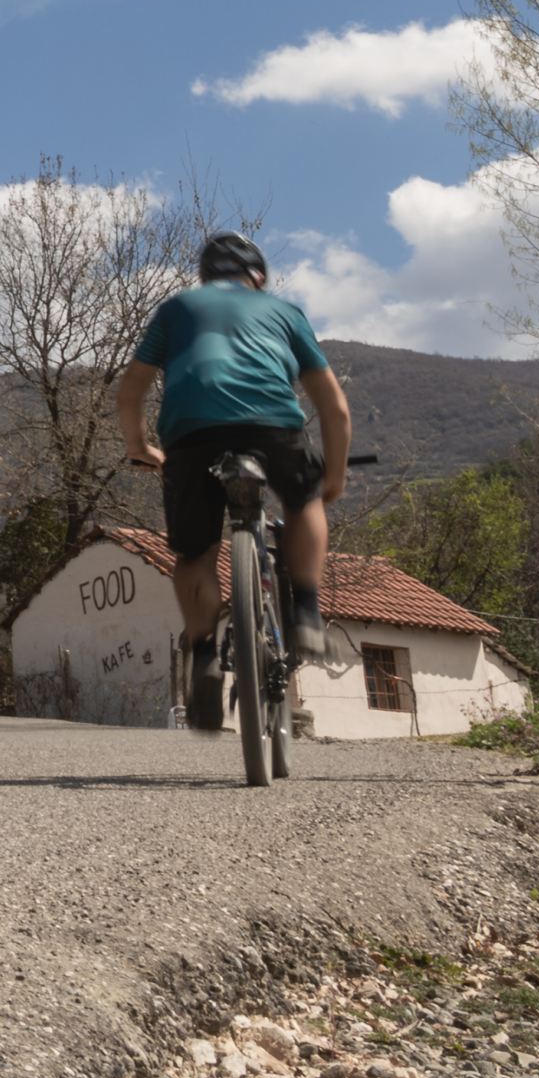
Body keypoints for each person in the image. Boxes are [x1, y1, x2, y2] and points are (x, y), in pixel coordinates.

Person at [118, 231, 354, 736]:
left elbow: (131, 390)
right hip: (272, 424)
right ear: (258, 277)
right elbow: (333, 405)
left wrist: (140, 449)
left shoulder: (176, 309)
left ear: (205, 277)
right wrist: (330, 476)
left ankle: (204, 653)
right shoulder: (283, 312)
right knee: (303, 499)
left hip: (189, 435)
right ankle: (308, 615)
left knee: (195, 553)